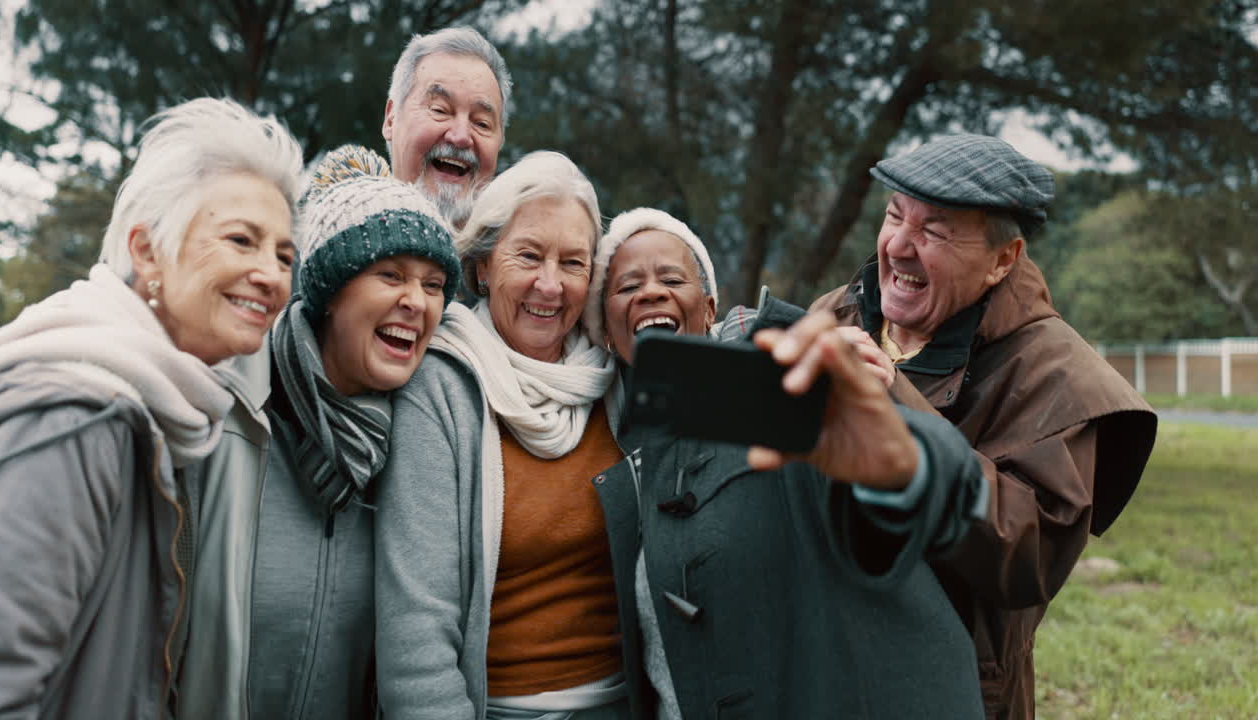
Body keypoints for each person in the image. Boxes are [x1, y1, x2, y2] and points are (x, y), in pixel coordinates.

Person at [584, 207, 988, 718]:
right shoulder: (617, 457)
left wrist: (904, 467)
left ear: (708, 308)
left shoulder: (778, 391)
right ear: (605, 331)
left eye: (672, 278)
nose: (650, 292)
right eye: (626, 287)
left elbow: (930, 490)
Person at [809, 134, 1158, 720]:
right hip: (821, 662)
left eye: (936, 231)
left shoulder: (1059, 376)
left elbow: (1029, 558)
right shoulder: (839, 311)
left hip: (953, 687)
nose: (898, 245)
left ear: (1004, 259)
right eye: (895, 215)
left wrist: (897, 409)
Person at [0, 97, 304, 720]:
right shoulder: (76, 423)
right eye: (242, 240)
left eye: (285, 256)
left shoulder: (172, 411)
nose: (271, 275)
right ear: (148, 252)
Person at [177, 145, 463, 720]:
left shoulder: (420, 447)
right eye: (390, 275)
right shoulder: (229, 412)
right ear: (330, 295)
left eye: (433, 285)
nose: (415, 301)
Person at [375, 151, 631, 720]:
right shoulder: (441, 387)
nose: (549, 284)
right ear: (484, 265)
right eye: (529, 256)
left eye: (573, 263)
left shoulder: (612, 384)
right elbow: (416, 630)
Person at [382, 25, 512, 228]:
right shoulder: (335, 242)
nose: (461, 137)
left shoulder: (522, 254)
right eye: (439, 110)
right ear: (391, 119)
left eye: (481, 123)